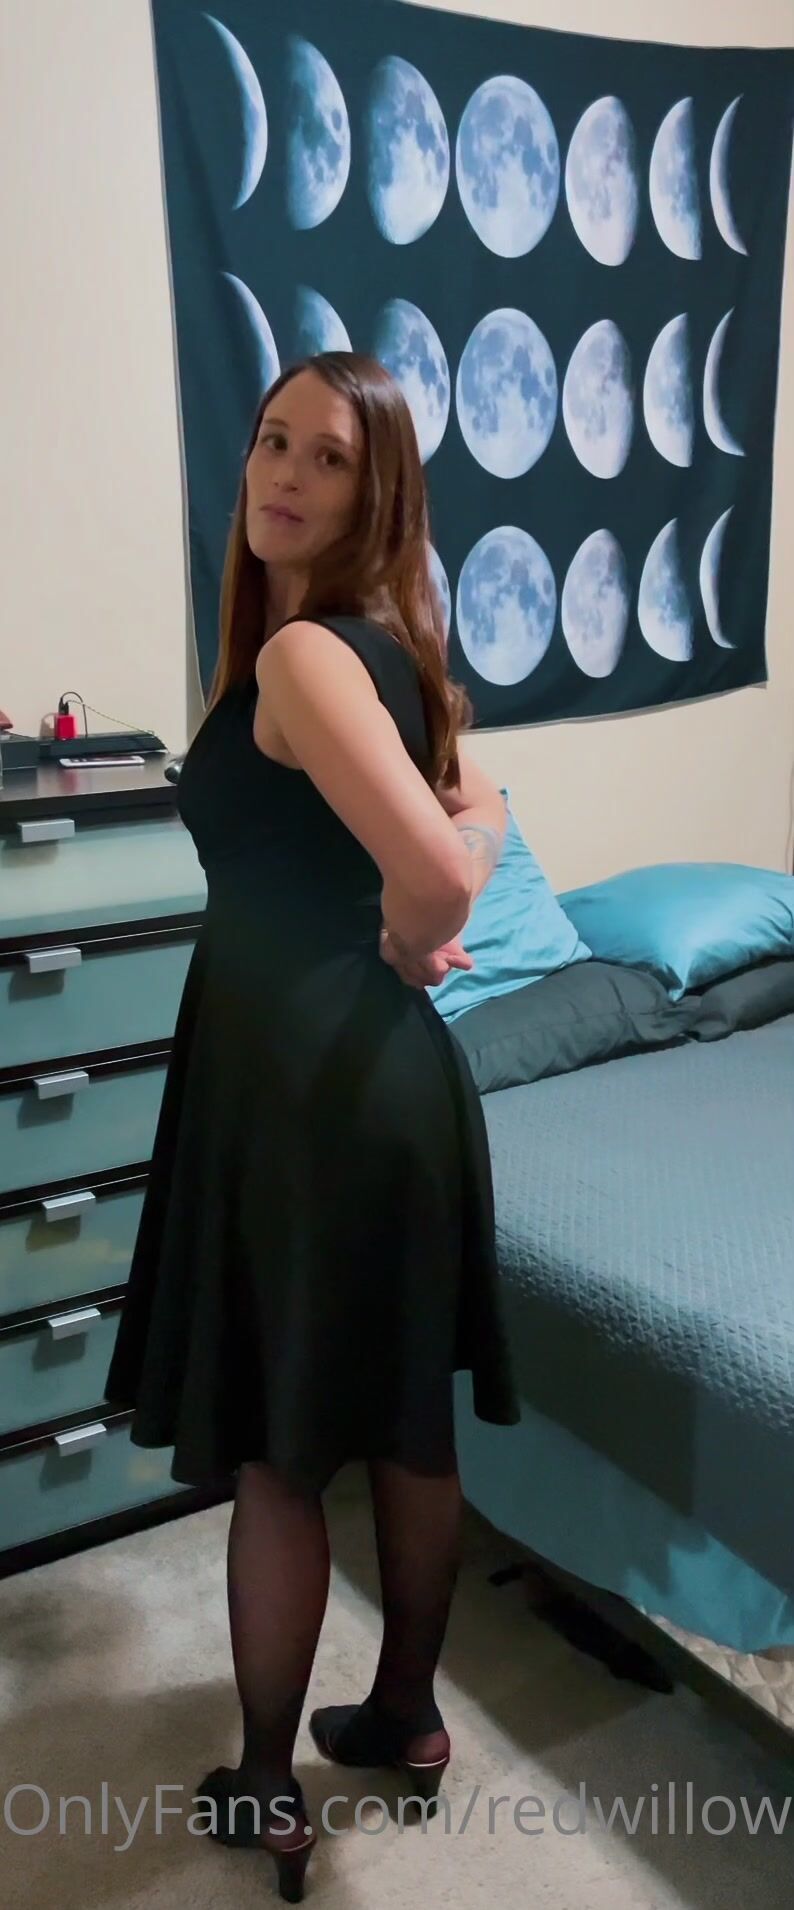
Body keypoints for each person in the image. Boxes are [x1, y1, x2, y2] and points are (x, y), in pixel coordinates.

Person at [104, 351, 520, 1900]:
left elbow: (446, 873)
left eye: (329, 457)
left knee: (282, 1457)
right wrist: (426, 900)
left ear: (375, 489)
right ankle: (404, 1716)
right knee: (402, 1420)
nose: (282, 473)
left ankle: (267, 1784)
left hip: (307, 1086)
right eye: (272, 440)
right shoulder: (388, 652)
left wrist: (422, 918)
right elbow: (468, 816)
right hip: (373, 1082)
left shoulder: (301, 659)